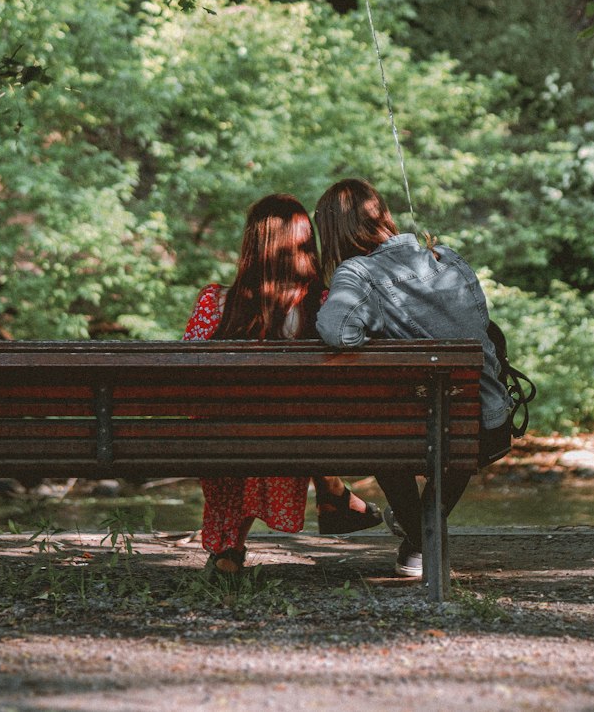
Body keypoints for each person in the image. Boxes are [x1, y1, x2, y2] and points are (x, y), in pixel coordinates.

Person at [313, 178, 513, 578]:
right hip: (484, 421)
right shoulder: (448, 259)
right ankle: (422, 537)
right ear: (382, 214)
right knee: (448, 431)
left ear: (333, 233)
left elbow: (337, 332)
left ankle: (421, 538)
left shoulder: (359, 273)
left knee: (382, 433)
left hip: (406, 430)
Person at [183, 192, 379, 577]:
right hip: (294, 438)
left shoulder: (215, 303)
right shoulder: (324, 305)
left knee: (241, 427)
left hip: (220, 439)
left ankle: (229, 549)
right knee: (299, 416)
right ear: (305, 244)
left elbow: (187, 375)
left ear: (251, 244)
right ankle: (334, 492)